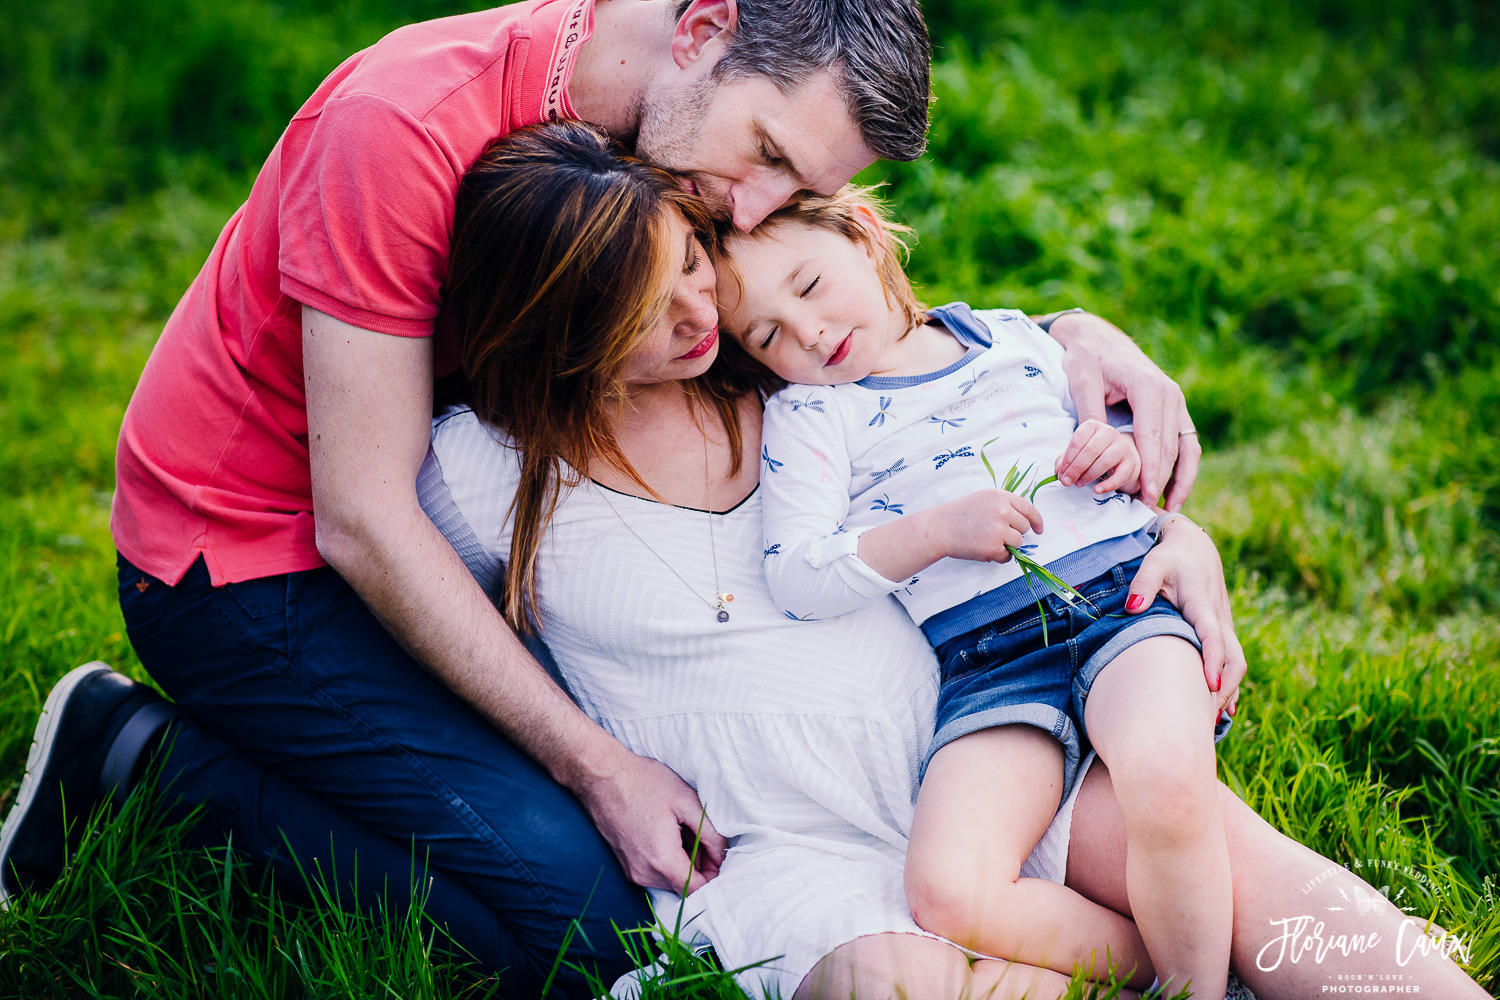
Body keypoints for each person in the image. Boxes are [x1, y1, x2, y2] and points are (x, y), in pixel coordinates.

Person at [0, 1, 1201, 994]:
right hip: (251, 559)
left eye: (795, 192)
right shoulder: (402, 125)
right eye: (769, 156)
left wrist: (1067, 350)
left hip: (431, 513)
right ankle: (140, 757)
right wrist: (592, 762)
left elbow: (848, 318)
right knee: (593, 932)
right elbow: (360, 516)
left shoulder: (682, 135)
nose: (749, 212)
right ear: (707, 26)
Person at [416, 121, 1490, 1000]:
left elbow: (973, 400)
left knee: (1282, 895)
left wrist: (1174, 529)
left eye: (689, 263)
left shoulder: (789, 384)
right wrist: (587, 765)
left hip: (987, 740)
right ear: (562, 338)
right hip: (788, 839)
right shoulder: (481, 473)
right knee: (902, 981)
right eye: (645, 311)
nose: (702, 317)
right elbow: (358, 583)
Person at [713, 188, 1235, 995]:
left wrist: (1120, 456)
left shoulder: (1016, 339)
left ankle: (1198, 986)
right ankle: (1174, 961)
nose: (808, 333)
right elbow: (797, 574)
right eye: (767, 335)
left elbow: (1129, 453)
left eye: (810, 287)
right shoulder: (814, 416)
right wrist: (933, 533)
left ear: (861, 234)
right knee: (950, 889)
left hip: (1121, 608)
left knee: (1166, 777)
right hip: (991, 666)